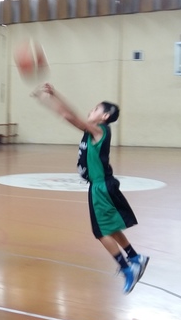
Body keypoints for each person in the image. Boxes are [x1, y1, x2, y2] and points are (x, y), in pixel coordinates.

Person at [32, 82, 149, 294]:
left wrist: (49, 98)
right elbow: (71, 114)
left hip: (100, 188)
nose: (90, 110)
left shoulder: (98, 130)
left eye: (96, 109)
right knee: (109, 227)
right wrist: (54, 95)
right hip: (102, 185)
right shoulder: (93, 130)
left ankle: (127, 270)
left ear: (104, 116)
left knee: (100, 232)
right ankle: (135, 257)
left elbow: (68, 116)